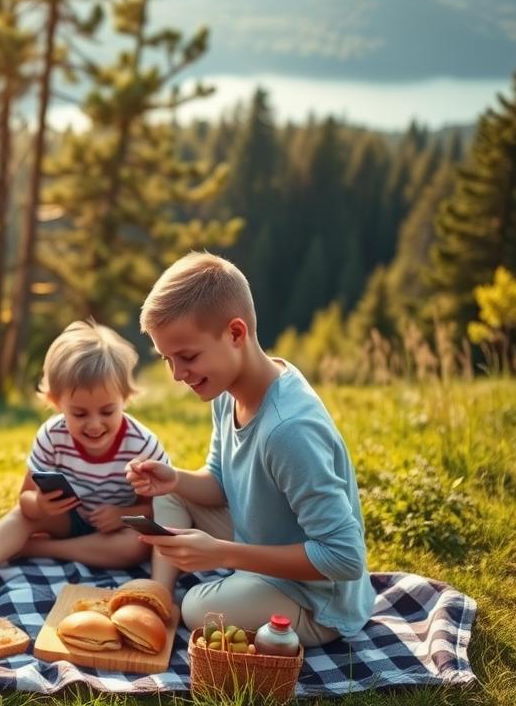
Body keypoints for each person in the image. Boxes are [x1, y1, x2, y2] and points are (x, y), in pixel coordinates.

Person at [126, 251, 374, 646]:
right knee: (170, 497)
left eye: (187, 356)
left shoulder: (288, 429)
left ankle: (211, 590)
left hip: (316, 603)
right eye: (167, 359)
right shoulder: (228, 388)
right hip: (258, 541)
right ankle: (159, 592)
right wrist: (175, 478)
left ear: (236, 334)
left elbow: (344, 558)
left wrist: (224, 554)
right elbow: (221, 483)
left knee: (195, 609)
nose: (176, 375)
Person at [0, 320, 169, 568]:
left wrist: (121, 516)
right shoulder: (52, 436)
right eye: (79, 414)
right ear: (56, 402)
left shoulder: (142, 445)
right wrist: (41, 505)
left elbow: (159, 510)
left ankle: (37, 548)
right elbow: (25, 501)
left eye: (107, 411)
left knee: (138, 544)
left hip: (115, 531)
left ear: (125, 398)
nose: (95, 425)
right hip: (66, 521)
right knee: (18, 518)